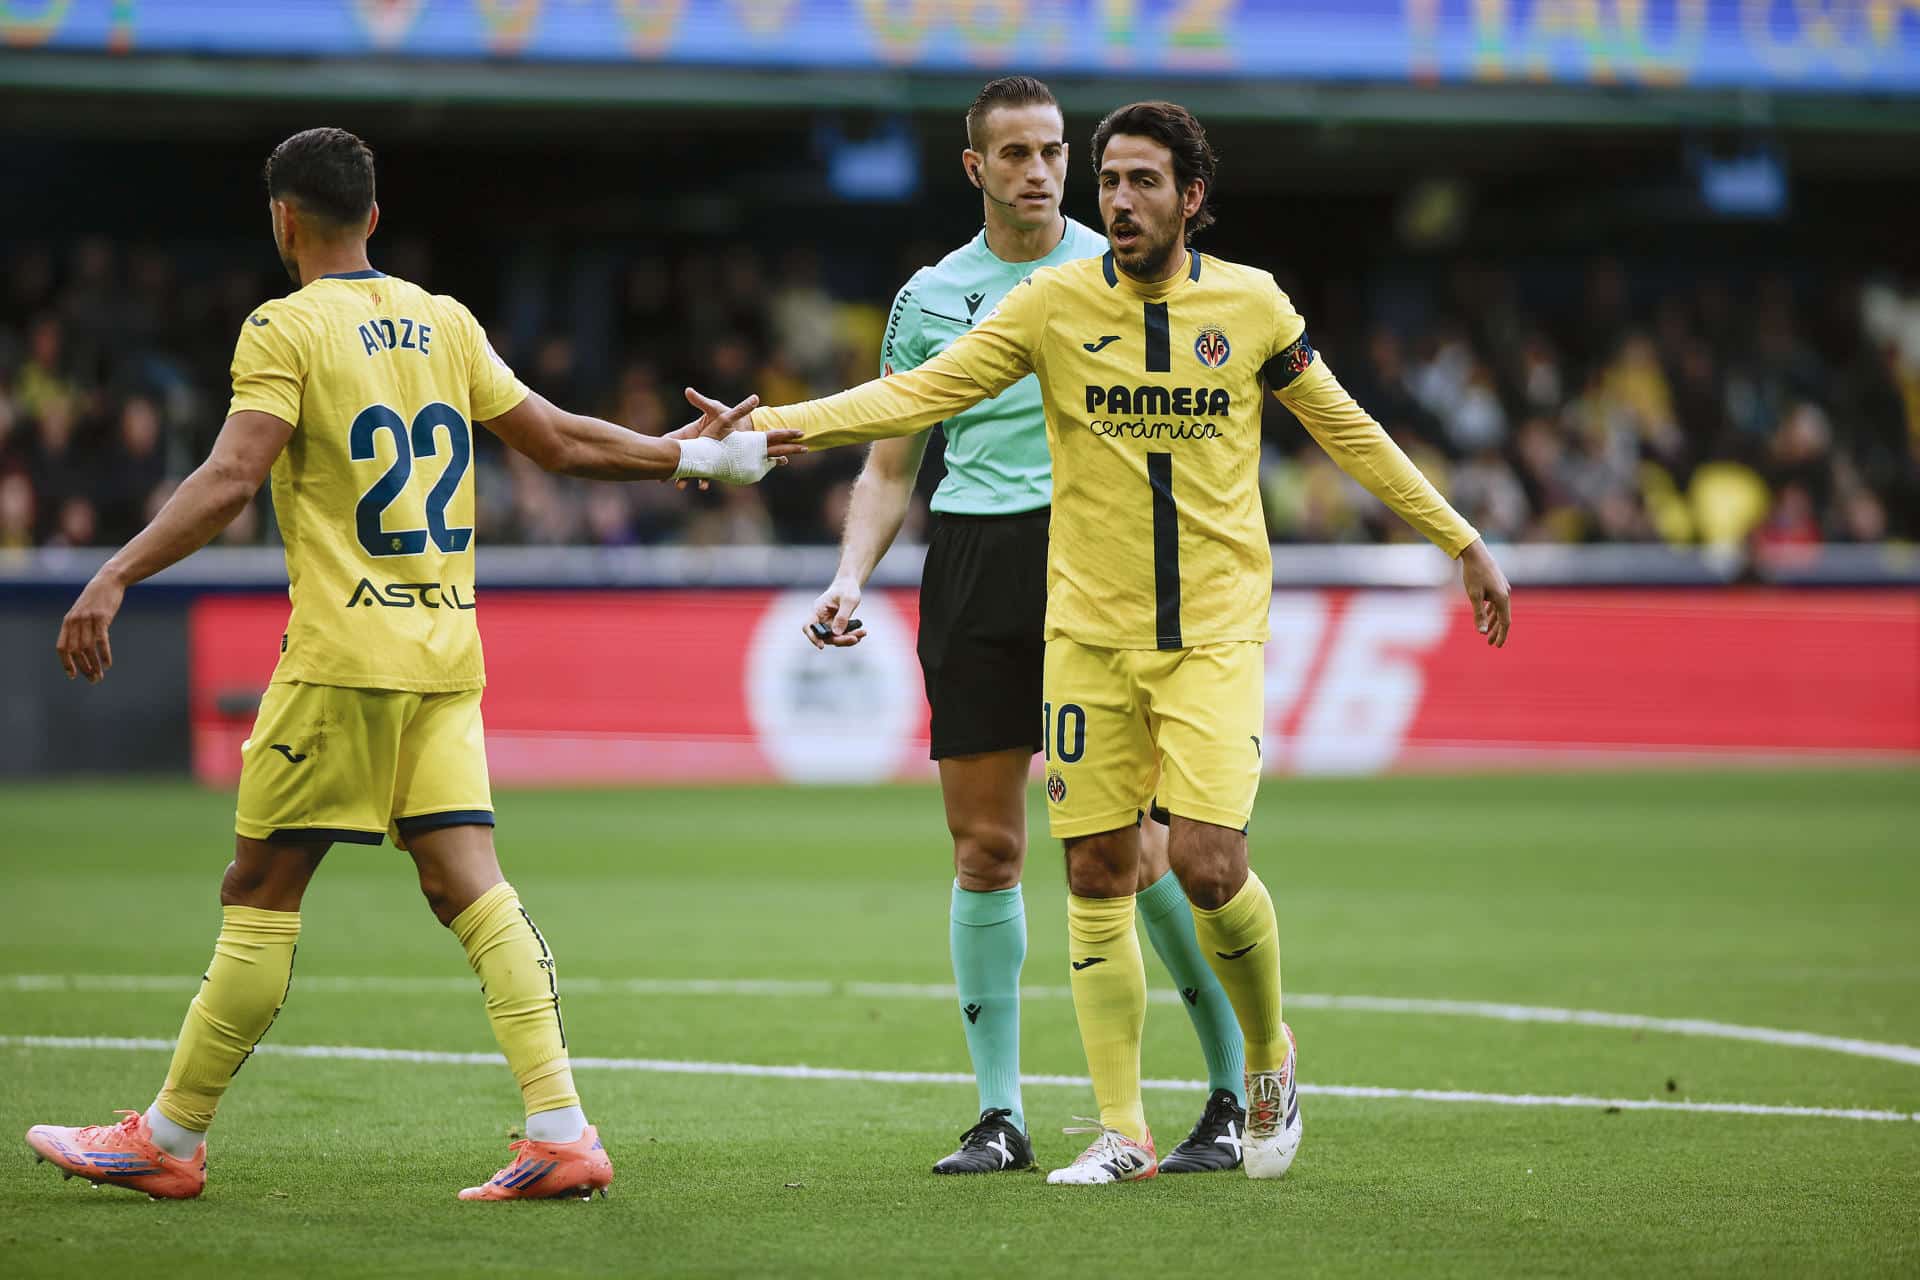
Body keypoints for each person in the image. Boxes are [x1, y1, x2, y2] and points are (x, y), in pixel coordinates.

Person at [702, 100, 1512, 1185]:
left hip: (1210, 630)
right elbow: (915, 399)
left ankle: (1262, 1060)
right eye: (1108, 180)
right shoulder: (1045, 304)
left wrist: (1458, 537)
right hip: (1072, 619)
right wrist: (769, 429)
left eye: (1136, 180)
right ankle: (1120, 1128)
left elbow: (1347, 427)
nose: (1113, 198)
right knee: (1079, 862)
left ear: (1192, 197)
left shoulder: (1252, 304)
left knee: (1203, 862)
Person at [31, 127, 795, 1202]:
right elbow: (560, 442)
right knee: (467, 883)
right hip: (445, 651)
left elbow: (230, 476)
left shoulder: (282, 327)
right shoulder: (444, 319)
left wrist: (113, 571)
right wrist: (696, 453)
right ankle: (561, 1125)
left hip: (344, 657)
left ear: (282, 219)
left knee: (260, 886)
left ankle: (168, 1135)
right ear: (374, 217)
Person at [806, 76, 1250, 1176]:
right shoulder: (929, 298)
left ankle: (1233, 1091)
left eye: (1054, 150)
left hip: (1092, 560)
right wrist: (852, 575)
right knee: (987, 846)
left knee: (1141, 851)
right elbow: (894, 455)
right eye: (1016, 154)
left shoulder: (1117, 272)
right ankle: (998, 1115)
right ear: (977, 167)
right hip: (971, 562)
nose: (1041, 170)